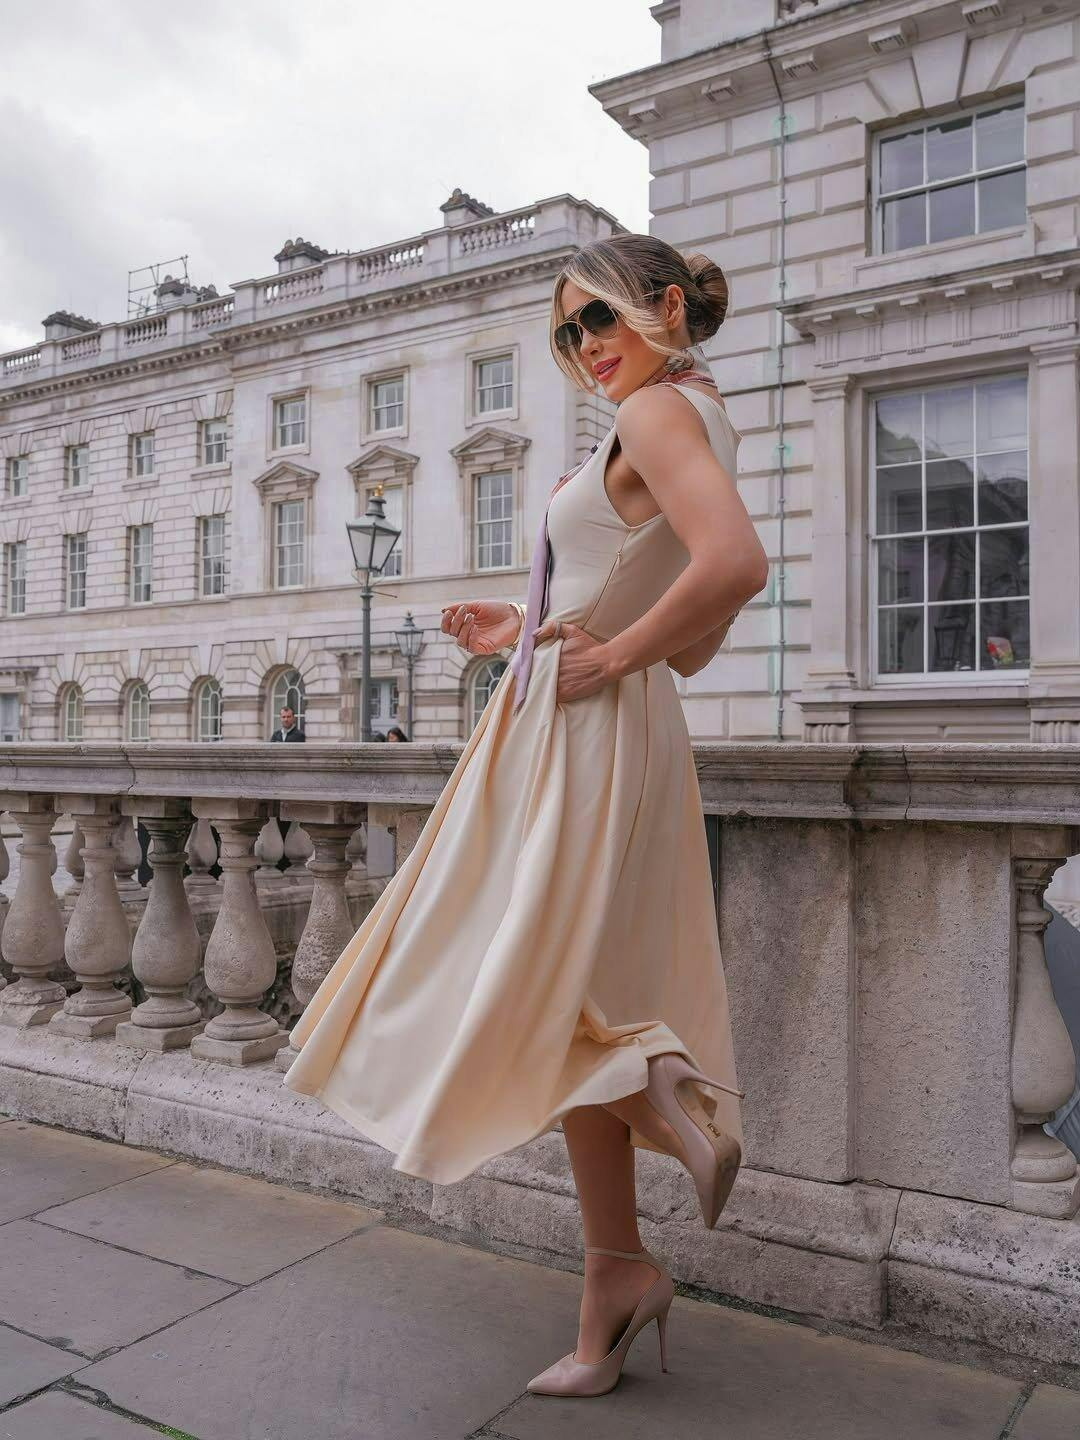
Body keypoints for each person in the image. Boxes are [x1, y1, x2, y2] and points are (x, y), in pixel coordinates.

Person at [283, 234, 769, 1397]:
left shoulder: (656, 412)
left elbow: (736, 568)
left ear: (664, 307)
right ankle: (617, 1273)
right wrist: (538, 622)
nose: (584, 345)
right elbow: (697, 639)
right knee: (553, 966)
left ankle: (660, 1086)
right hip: (614, 719)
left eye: (599, 318)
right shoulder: (702, 415)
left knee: (482, 957)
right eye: (567, 331)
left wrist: (607, 657)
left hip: (583, 727)